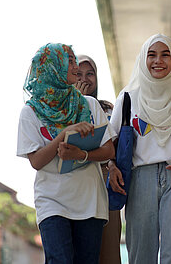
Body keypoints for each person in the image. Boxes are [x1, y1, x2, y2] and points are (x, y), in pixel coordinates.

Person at [108, 33, 171, 264]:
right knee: (142, 253)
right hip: (139, 179)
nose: (158, 61)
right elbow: (110, 144)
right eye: (151, 55)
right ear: (143, 60)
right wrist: (112, 167)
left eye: (165, 55)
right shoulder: (128, 98)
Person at [17, 43, 116, 263]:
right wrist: (62, 134)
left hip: (90, 202)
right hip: (52, 201)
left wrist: (81, 154)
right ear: (52, 67)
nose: (74, 67)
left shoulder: (89, 104)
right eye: (69, 61)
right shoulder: (30, 111)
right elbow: (36, 161)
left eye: (73, 60)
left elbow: (109, 150)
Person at [75, 54, 122, 264]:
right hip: (75, 187)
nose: (85, 79)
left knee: (110, 252)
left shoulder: (108, 109)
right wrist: (78, 102)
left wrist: (111, 165)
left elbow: (113, 147)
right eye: (79, 74)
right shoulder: (61, 110)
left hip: (106, 184)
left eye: (90, 74)